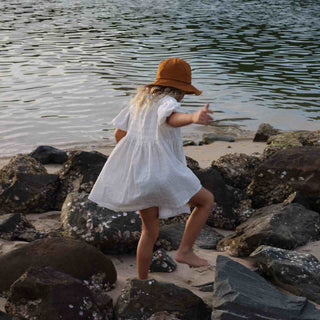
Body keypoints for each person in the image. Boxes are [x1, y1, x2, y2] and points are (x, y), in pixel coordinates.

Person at [88, 57, 215, 280]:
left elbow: (119, 135)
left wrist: (135, 158)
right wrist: (194, 117)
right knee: (205, 201)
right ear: (179, 90)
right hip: (163, 173)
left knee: (149, 231)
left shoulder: (138, 103)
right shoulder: (168, 102)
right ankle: (185, 251)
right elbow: (173, 119)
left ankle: (142, 280)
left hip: (139, 176)